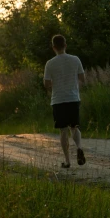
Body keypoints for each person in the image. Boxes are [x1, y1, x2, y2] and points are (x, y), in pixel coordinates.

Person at [43, 34, 86, 168]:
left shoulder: (50, 63)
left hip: (58, 100)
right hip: (73, 98)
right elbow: (82, 78)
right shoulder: (75, 59)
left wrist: (53, 84)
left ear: (53, 47)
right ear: (65, 45)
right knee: (74, 127)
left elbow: (47, 84)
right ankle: (79, 147)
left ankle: (67, 161)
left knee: (63, 130)